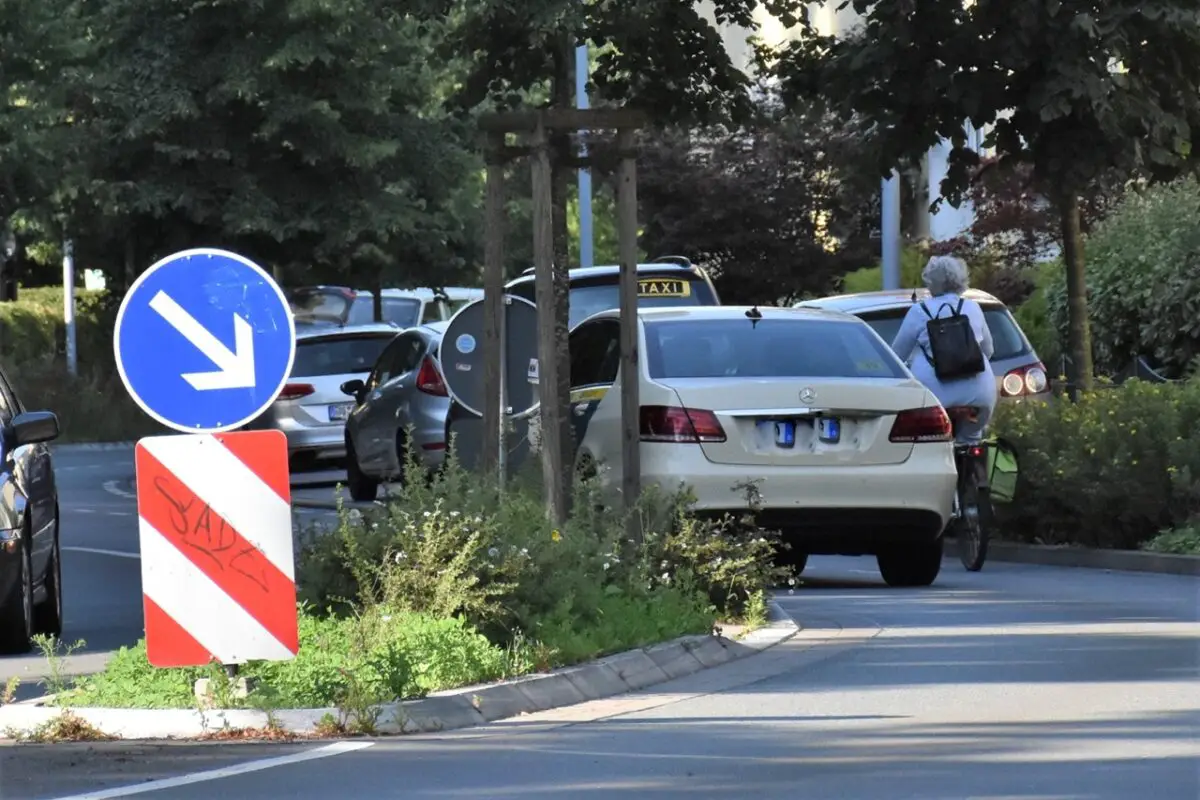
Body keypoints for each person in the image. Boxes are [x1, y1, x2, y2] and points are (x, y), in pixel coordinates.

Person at [890, 256, 998, 444]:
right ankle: (974, 466)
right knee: (972, 440)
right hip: (979, 396)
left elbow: (897, 356)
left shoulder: (919, 311)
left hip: (935, 396)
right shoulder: (972, 308)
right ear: (961, 280)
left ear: (931, 282)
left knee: (932, 444)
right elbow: (988, 351)